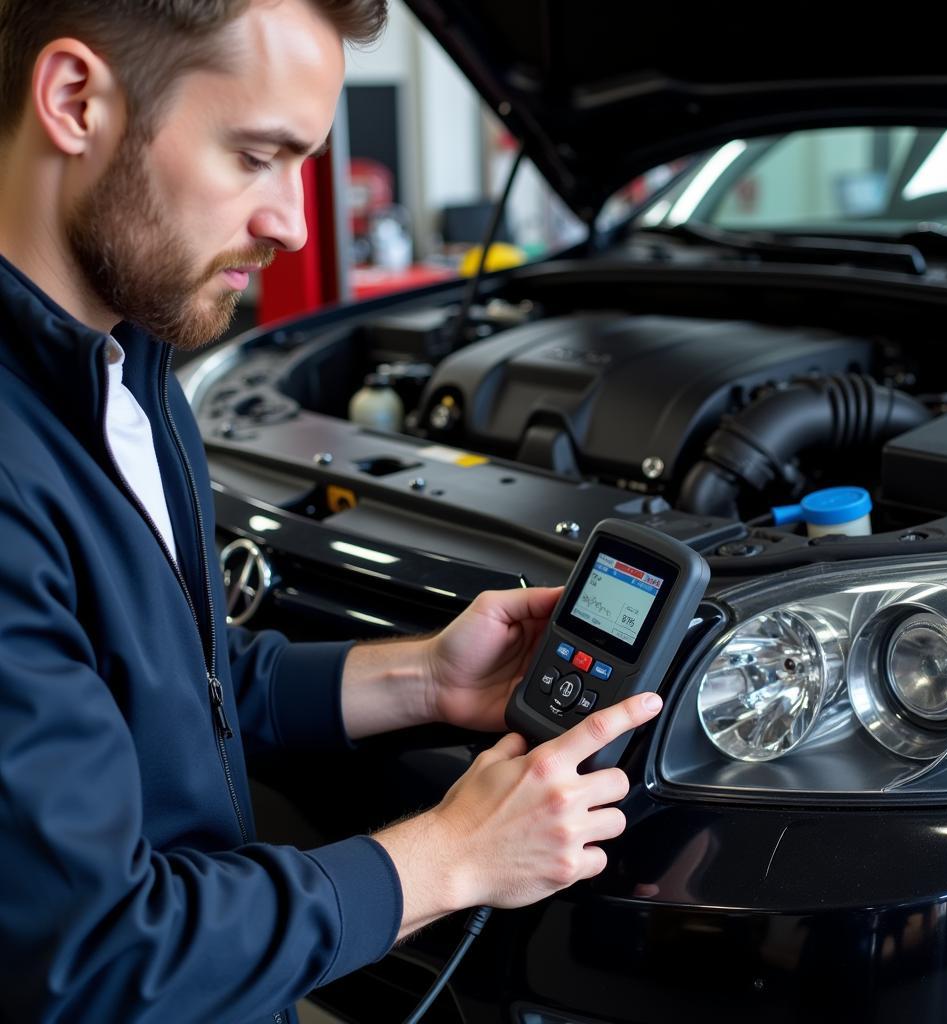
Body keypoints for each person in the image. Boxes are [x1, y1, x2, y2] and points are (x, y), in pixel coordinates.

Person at [0, 0, 664, 1021]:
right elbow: (94, 956)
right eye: (256, 155)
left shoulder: (131, 366)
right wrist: (449, 855)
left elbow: (167, 689)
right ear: (74, 100)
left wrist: (422, 678)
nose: (295, 222)